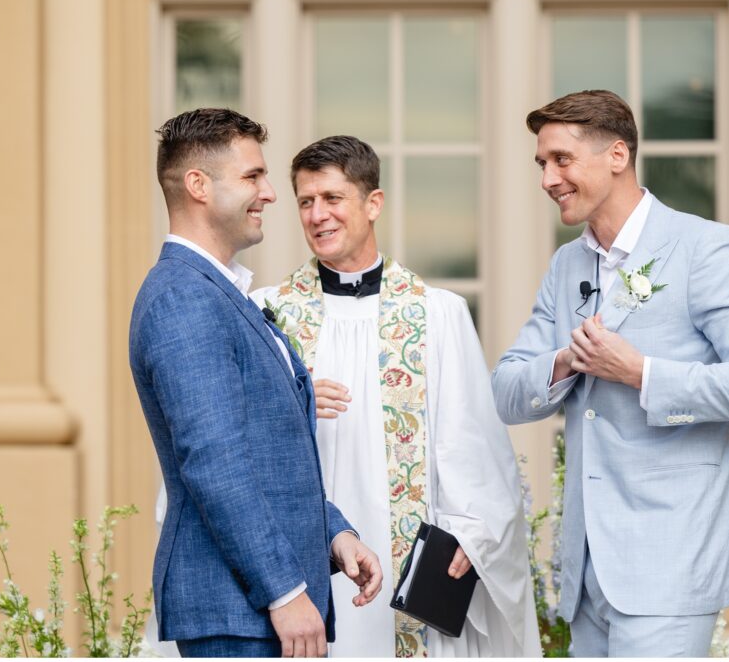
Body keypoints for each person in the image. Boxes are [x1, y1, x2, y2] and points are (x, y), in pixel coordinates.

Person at [491, 90, 729, 657]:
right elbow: (507, 393)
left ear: (617, 155)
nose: (547, 179)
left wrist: (641, 373)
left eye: (561, 159)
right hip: (585, 572)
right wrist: (565, 360)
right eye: (541, 163)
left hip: (671, 561)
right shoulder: (567, 264)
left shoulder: (706, 248)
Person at [251, 135, 541, 657]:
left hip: (408, 557)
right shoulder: (267, 313)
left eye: (333, 198)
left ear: (373, 203)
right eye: (306, 201)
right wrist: (284, 401)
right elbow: (230, 438)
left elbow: (475, 448)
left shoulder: (438, 313)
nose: (318, 215)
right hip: (304, 558)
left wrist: (473, 536)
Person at [129, 109, 383, 658]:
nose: (270, 193)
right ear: (198, 186)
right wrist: (284, 590)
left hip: (256, 610)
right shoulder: (183, 298)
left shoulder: (222, 293)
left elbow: (270, 453)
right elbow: (214, 460)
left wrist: (334, 533)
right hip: (238, 612)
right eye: (253, 177)